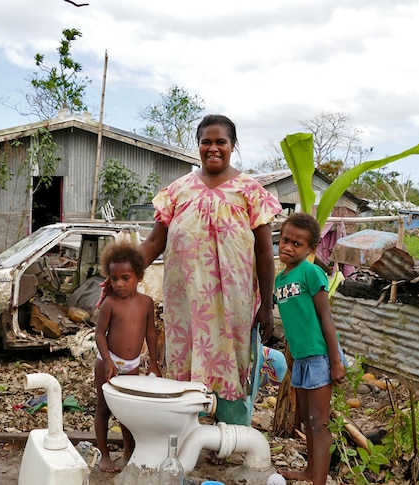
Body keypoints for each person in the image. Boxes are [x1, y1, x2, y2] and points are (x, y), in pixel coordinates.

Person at [139, 114, 283, 427]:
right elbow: (153, 242)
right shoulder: (177, 191)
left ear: (233, 146)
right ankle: (186, 433)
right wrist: (119, 273)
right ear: (198, 145)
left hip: (233, 304)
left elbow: (263, 251)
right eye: (207, 142)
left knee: (231, 363)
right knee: (185, 361)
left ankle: (229, 439)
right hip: (186, 303)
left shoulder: (250, 192)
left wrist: (267, 305)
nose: (213, 148)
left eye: (221, 142)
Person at [273, 212, 347, 484]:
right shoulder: (281, 279)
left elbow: (325, 318)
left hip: (320, 357)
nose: (288, 247)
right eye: (285, 240)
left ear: (311, 249)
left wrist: (335, 361)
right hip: (301, 359)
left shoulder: (311, 272)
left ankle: (319, 480)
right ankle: (310, 470)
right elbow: (293, 323)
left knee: (319, 421)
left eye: (297, 244)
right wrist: (291, 358)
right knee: (306, 419)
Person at [93, 241, 161, 473]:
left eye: (125, 278)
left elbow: (151, 333)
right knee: (103, 409)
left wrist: (153, 362)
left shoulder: (146, 303)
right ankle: (104, 455)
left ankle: (129, 451)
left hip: (132, 364)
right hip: (108, 360)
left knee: (128, 412)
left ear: (139, 277)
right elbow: (100, 335)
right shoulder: (110, 304)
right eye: (114, 278)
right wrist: (108, 361)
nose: (119, 284)